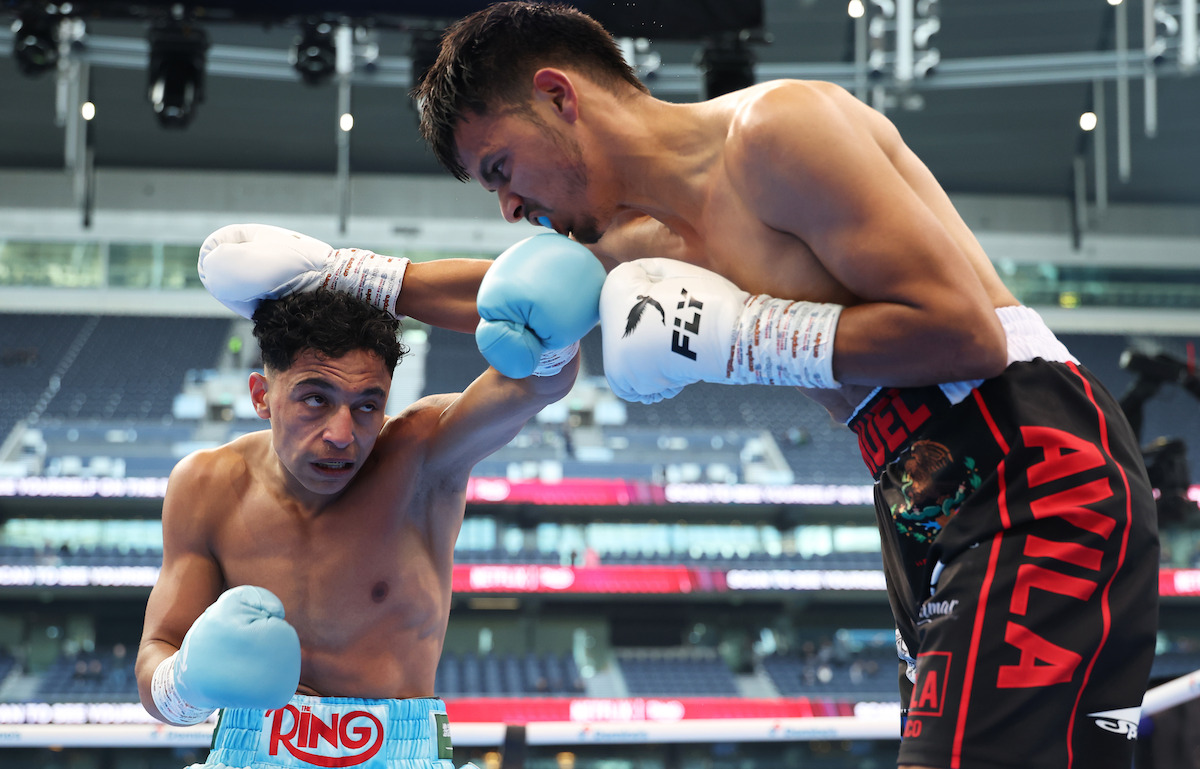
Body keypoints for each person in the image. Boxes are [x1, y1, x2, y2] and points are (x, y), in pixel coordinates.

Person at [410, 4, 1161, 769]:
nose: (508, 207)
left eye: (499, 168)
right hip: (917, 489)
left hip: (1023, 454)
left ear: (557, 95)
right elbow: (509, 297)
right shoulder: (645, 246)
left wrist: (748, 338)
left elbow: (967, 332)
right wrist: (350, 275)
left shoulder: (775, 131)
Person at [135, 224, 604, 769]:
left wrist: (365, 276)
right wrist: (186, 682)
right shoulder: (207, 484)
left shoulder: (422, 456)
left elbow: (548, 354)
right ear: (263, 397)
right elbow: (157, 654)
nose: (342, 433)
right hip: (250, 748)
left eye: (366, 404)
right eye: (315, 398)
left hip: (402, 750)